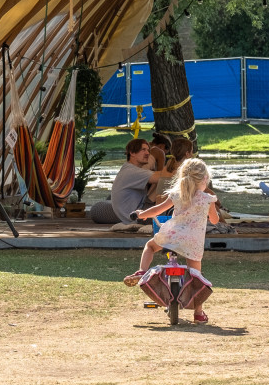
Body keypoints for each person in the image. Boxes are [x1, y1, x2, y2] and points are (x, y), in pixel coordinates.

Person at [123, 157, 222, 324]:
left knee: (149, 246)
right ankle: (198, 312)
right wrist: (213, 213)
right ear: (205, 179)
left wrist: (140, 213)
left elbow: (156, 210)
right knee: (196, 277)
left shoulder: (177, 195)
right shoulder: (207, 199)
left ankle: (141, 271)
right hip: (193, 243)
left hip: (171, 236)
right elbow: (214, 220)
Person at [89, 138, 171, 227]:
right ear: (132, 153)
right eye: (143, 150)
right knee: (164, 181)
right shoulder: (132, 171)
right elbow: (163, 177)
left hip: (134, 208)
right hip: (131, 215)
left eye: (148, 150)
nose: (147, 153)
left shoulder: (132, 169)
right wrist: (168, 160)